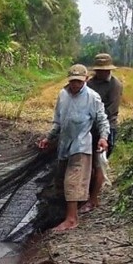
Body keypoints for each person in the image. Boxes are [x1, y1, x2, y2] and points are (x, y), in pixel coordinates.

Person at [37, 64, 110, 232]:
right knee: (61, 182)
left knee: (72, 181)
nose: (75, 85)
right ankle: (67, 212)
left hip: (82, 145)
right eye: (72, 81)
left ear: (85, 79)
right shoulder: (63, 95)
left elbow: (102, 120)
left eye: (78, 81)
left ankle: (72, 220)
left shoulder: (93, 97)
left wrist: (103, 138)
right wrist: (48, 139)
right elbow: (58, 122)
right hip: (64, 145)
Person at [83, 53, 123, 213]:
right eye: (99, 70)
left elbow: (110, 111)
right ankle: (86, 195)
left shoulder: (115, 85)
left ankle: (93, 200)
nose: (102, 73)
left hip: (107, 128)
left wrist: (102, 132)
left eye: (105, 70)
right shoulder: (90, 83)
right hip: (89, 127)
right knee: (89, 163)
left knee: (99, 163)